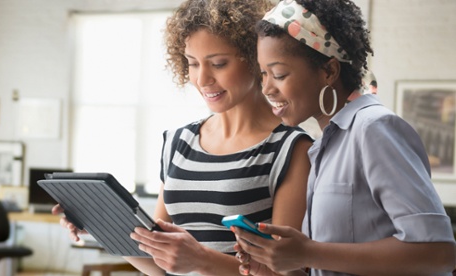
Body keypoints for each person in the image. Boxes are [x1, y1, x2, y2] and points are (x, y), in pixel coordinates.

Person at [53, 0, 314, 275]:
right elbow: (158, 263)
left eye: (218, 63)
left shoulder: (291, 148)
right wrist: (100, 224)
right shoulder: (179, 142)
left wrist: (201, 259)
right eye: (192, 63)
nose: (202, 79)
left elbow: (288, 272)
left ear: (256, 59)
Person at [232, 0, 456, 275]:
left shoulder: (373, 128)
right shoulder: (326, 144)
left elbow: (439, 252)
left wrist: (309, 252)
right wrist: (274, 265)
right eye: (264, 73)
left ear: (329, 71)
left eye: (279, 74)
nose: (267, 88)